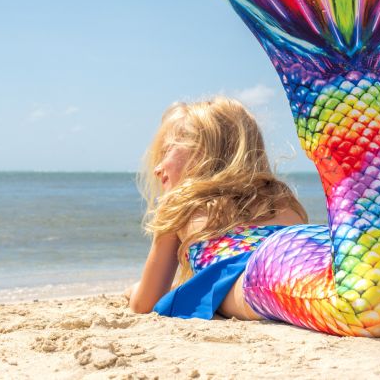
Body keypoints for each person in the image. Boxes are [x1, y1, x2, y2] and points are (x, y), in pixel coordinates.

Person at [123, 96, 308, 320]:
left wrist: (135, 289)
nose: (158, 168)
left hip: (260, 281)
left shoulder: (180, 205)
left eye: (166, 151)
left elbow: (145, 303)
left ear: (202, 152)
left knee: (279, 289)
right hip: (303, 253)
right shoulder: (282, 199)